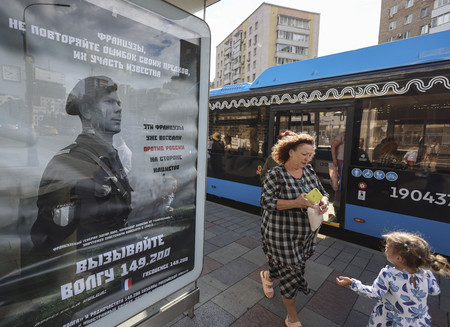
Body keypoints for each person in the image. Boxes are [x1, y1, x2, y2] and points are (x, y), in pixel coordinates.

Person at [30, 76, 133, 249]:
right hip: (89, 268)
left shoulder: (110, 155)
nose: (118, 109)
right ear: (86, 110)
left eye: (119, 103)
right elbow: (47, 238)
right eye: (109, 102)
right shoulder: (69, 162)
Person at [260, 133, 329, 327]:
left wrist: (324, 201)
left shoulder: (308, 171)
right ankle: (292, 317)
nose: (307, 159)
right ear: (291, 152)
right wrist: (295, 202)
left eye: (310, 155)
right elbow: (265, 201)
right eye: (304, 154)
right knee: (292, 271)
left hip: (304, 233)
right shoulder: (276, 174)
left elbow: (321, 192)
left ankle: (268, 276)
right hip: (279, 234)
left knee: (282, 265)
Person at [336, 231, 450, 327]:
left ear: (399, 258)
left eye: (387, 247)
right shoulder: (427, 274)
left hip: (390, 321)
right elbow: (435, 291)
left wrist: (352, 283)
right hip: (418, 322)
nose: (385, 248)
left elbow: (375, 294)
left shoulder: (388, 274)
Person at [330, 131, 345, 207]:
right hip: (341, 160)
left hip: (346, 160)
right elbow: (333, 145)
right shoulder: (342, 134)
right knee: (340, 181)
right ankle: (337, 201)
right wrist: (334, 159)